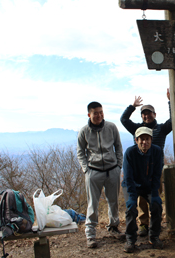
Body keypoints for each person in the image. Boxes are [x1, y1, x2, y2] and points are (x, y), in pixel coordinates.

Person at [120, 89, 172, 237]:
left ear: (154, 115)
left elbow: (174, 120)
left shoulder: (161, 128)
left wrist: (170, 101)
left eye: (149, 113)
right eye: (144, 114)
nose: (147, 116)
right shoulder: (137, 129)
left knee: (155, 197)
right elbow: (123, 120)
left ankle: (155, 226)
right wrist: (132, 106)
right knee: (141, 201)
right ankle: (144, 225)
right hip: (138, 170)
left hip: (155, 169)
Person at [77, 101, 124, 248]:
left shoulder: (111, 127)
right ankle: (90, 234)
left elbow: (118, 146)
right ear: (89, 114)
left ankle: (113, 227)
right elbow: (80, 152)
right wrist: (86, 170)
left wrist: (119, 166)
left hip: (112, 170)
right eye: (96, 113)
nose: (99, 115)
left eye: (101, 112)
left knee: (113, 201)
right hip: (93, 171)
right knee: (93, 204)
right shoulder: (84, 131)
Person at [122, 127, 164, 253]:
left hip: (149, 185)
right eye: (141, 139)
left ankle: (154, 236)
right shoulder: (130, 153)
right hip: (132, 185)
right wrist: (132, 197)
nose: (144, 142)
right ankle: (130, 239)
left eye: (147, 139)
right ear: (136, 140)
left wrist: (155, 193)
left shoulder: (157, 152)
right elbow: (128, 177)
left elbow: (157, 175)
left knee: (156, 205)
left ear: (151, 140)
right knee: (131, 209)